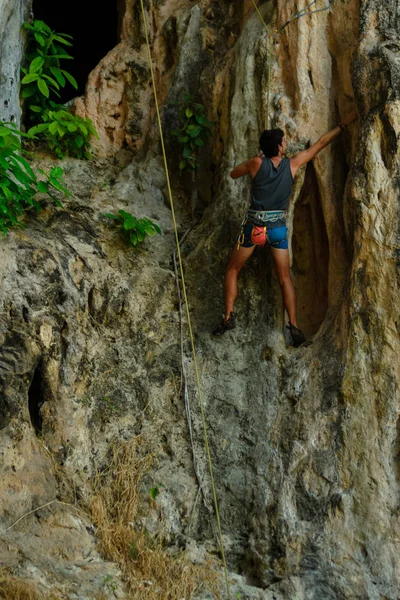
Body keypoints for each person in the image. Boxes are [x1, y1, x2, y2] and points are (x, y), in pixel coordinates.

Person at [212, 112, 356, 346]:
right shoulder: (293, 164)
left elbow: (233, 173)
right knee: (285, 278)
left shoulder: (256, 163)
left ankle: (228, 316)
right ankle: (295, 327)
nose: (286, 144)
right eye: (283, 142)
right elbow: (319, 144)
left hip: (255, 228)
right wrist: (341, 125)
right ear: (279, 148)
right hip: (277, 230)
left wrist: (256, 159)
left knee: (233, 269)